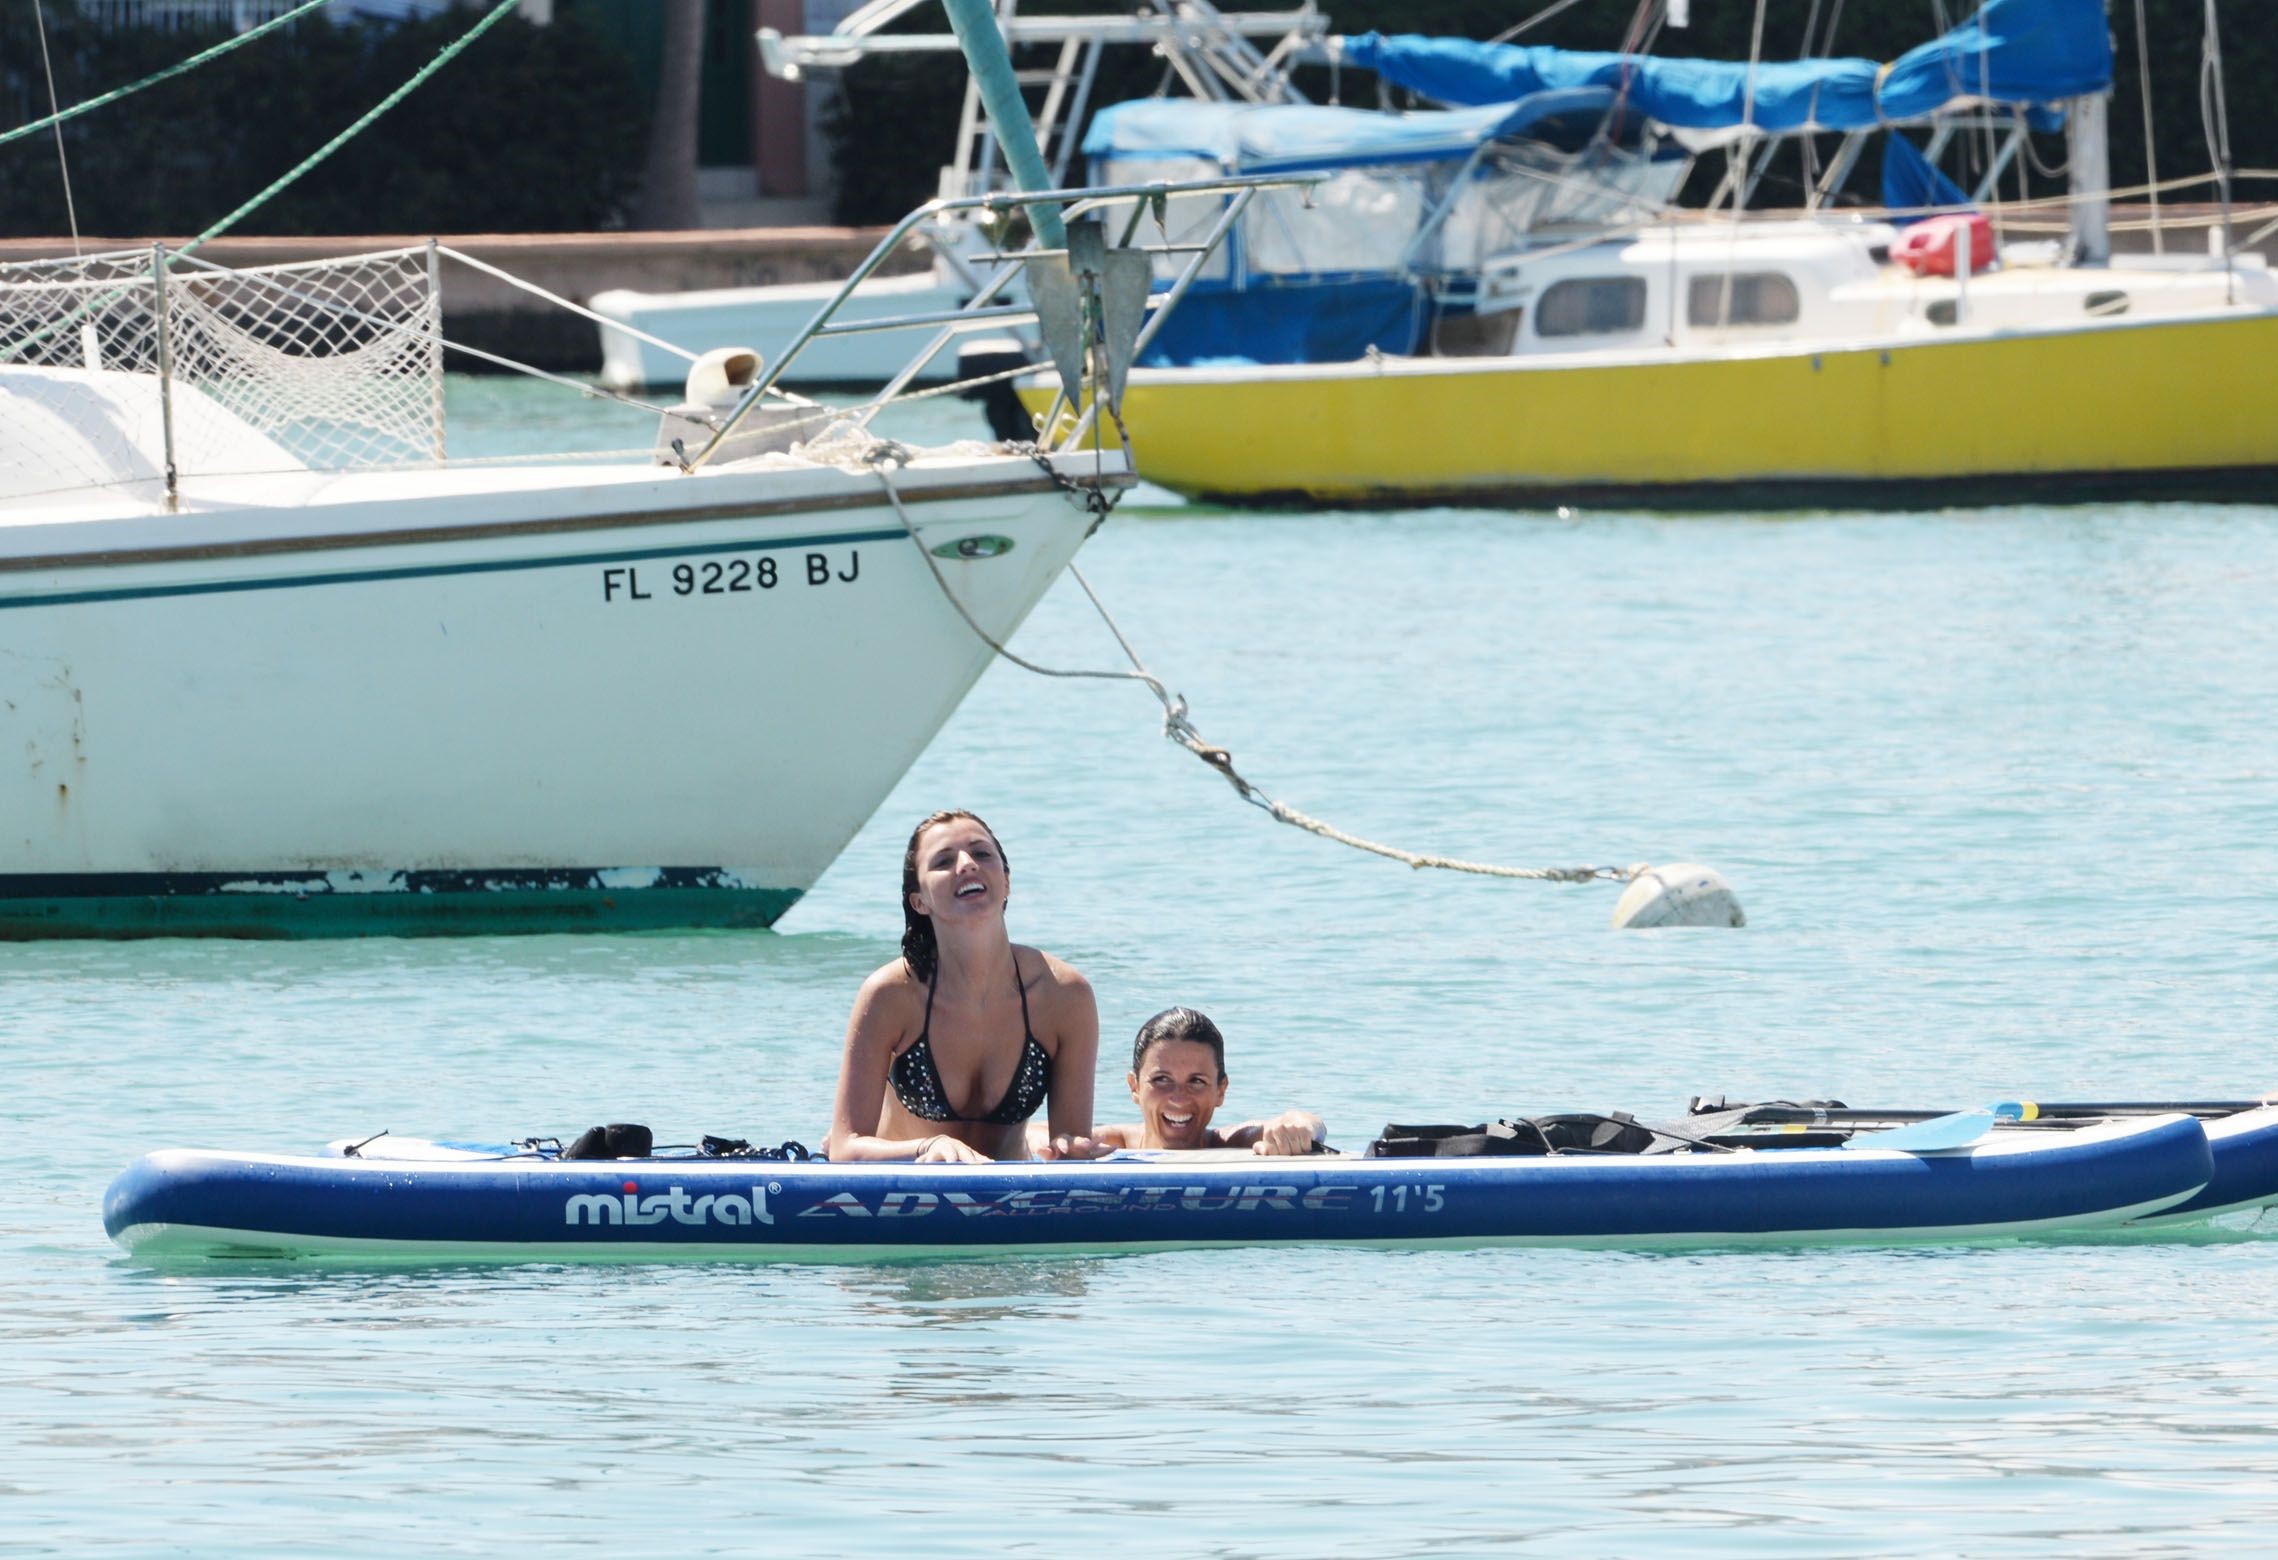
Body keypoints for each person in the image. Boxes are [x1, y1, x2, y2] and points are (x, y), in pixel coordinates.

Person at [826, 810, 1102, 1163]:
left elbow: (1069, 1141)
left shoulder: (1064, 995)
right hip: (904, 1193)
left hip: (1012, 1194)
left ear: (1006, 881)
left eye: (982, 853)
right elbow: (844, 1147)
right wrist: (929, 1146)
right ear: (919, 901)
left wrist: (1071, 1148)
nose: (967, 864)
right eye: (943, 860)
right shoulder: (891, 995)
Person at [1035, 1006, 1325, 1156]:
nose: (1178, 1097)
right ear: (1134, 1087)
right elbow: (1032, 1134)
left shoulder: (1228, 1143)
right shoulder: (1112, 1144)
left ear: (1221, 1090)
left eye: (1196, 1081)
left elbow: (1307, 1121)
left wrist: (1296, 1129)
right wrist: (1059, 1145)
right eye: (1161, 1079)